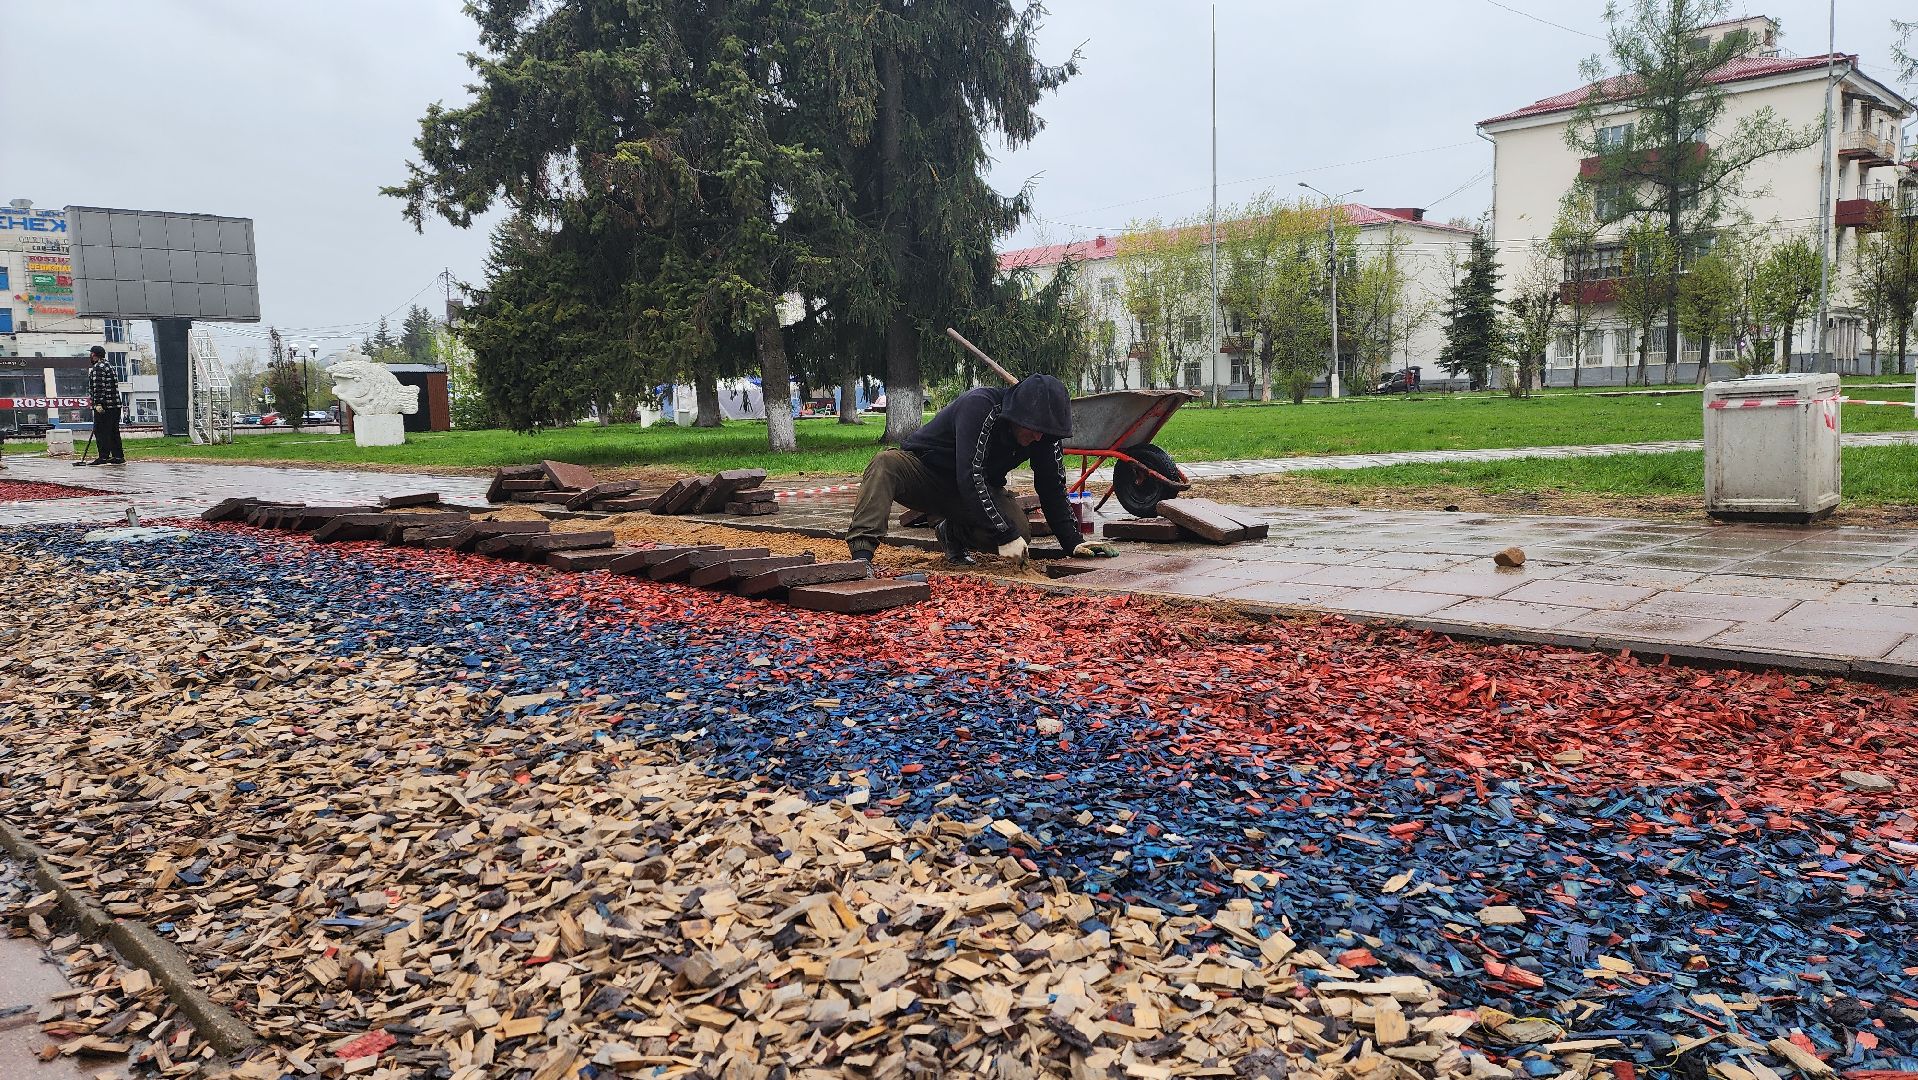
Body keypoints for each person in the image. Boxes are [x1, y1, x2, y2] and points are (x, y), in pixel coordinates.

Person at [848, 374, 1081, 566]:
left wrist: (1074, 543)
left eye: (1044, 432)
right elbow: (971, 474)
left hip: (971, 492)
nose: (1038, 437)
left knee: (1019, 532)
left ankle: (952, 532)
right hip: (927, 475)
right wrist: (1003, 533)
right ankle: (861, 556)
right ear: (1017, 415)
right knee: (885, 463)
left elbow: (1052, 487)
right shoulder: (980, 405)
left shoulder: (1044, 436)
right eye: (1033, 429)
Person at [79, 345, 125, 466]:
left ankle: (103, 457)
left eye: (91, 354)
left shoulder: (98, 367)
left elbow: (99, 387)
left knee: (100, 431)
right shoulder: (109, 365)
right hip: (115, 405)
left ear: (94, 355)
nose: (90, 356)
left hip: (104, 406)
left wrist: (98, 403)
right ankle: (118, 456)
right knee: (113, 431)